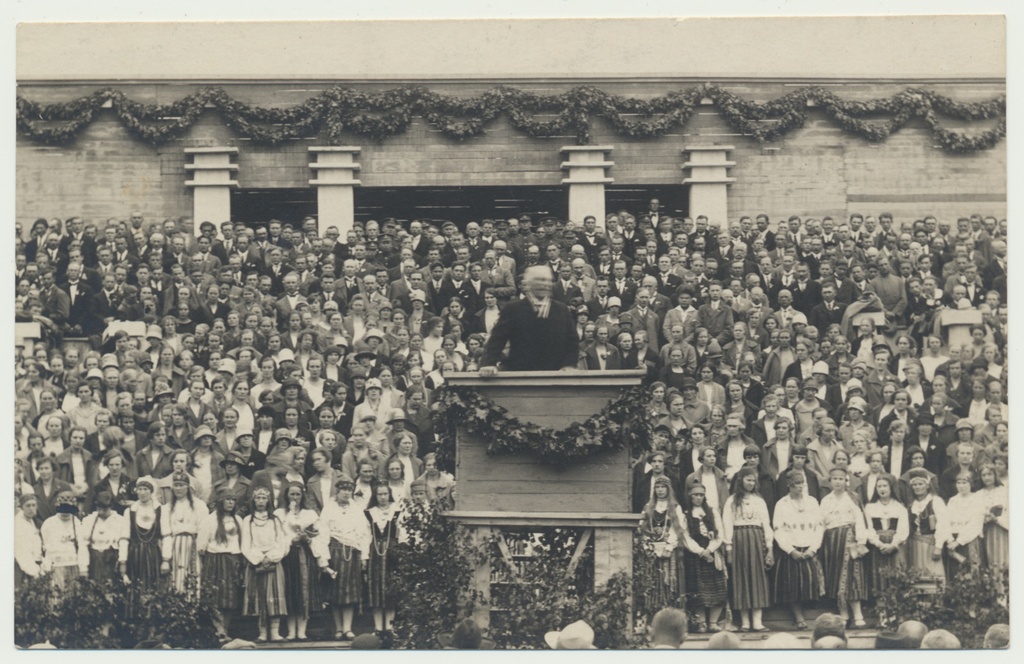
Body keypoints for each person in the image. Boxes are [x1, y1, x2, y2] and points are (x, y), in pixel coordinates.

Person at [480, 265, 580, 373]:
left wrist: (569, 365)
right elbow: (497, 339)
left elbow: (572, 341)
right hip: (520, 375)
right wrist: (488, 364)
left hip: (555, 374)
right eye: (539, 280)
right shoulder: (513, 309)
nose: (544, 284)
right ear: (528, 284)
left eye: (548, 280)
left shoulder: (561, 309)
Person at [316, 475, 370, 641]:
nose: (346, 493)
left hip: (352, 553)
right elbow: (322, 533)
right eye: (343, 490)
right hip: (335, 552)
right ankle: (338, 628)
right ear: (337, 491)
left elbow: (364, 533)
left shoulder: (356, 509)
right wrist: (323, 559)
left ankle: (347, 628)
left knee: (349, 593)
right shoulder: (329, 509)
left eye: (349, 490)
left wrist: (364, 556)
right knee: (336, 593)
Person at [275, 481, 330, 641]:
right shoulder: (279, 514)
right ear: (286, 495)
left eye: (298, 494)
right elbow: (277, 535)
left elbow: (319, 535)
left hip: (306, 555)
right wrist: (291, 540)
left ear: (302, 495)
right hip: (288, 556)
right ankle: (291, 631)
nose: (295, 497)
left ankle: (302, 631)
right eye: (292, 494)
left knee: (305, 591)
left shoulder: (310, 514)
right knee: (291, 591)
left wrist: (307, 539)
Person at [722, 466, 773, 632]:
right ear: (740, 480)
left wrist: (769, 547)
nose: (751, 483)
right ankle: (745, 622)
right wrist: (728, 548)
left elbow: (766, 524)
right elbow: (727, 524)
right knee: (741, 579)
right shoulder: (731, 501)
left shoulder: (759, 500)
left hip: (757, 540)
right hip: (739, 540)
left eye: (753, 480)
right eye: (748, 480)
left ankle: (757, 622)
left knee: (758, 578)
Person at [772, 470, 825, 630]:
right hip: (792, 550)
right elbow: (778, 530)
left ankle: (809, 615)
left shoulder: (812, 502)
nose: (800, 487)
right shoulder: (782, 504)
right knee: (792, 586)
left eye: (802, 483)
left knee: (810, 582)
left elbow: (819, 527)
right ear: (789, 485)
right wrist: (790, 550)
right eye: (796, 484)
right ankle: (798, 617)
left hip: (809, 548)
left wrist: (813, 548)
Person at [819, 468, 869, 627]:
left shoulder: (852, 498)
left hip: (849, 537)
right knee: (835, 577)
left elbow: (860, 520)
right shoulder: (826, 500)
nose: (838, 481)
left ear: (845, 480)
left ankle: (858, 615)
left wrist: (861, 541)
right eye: (835, 478)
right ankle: (843, 615)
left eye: (841, 478)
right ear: (830, 481)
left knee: (852, 576)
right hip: (831, 540)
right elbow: (821, 523)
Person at [240, 486, 289, 643]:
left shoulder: (275, 520)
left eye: (264, 498)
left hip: (273, 562)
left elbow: (282, 542)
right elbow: (245, 544)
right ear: (253, 500)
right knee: (259, 596)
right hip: (256, 562)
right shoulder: (248, 521)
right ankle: (262, 632)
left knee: (274, 595)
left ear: (269, 501)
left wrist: (271, 557)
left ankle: (275, 631)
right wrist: (259, 558)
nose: (261, 501)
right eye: (258, 498)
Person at [197, 489, 246, 642]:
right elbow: (201, 546)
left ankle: (225, 629)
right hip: (216, 560)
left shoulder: (238, 520)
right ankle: (219, 629)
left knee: (231, 598)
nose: (231, 502)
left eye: (233, 500)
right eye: (227, 499)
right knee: (215, 597)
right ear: (220, 501)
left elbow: (243, 542)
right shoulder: (210, 520)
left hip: (234, 560)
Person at [680, 481, 727, 633]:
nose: (698, 498)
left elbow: (720, 534)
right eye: (695, 495)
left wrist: (710, 550)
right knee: (698, 590)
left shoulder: (712, 512)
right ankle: (701, 622)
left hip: (712, 553)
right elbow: (685, 536)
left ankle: (713, 622)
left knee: (717, 588)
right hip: (695, 556)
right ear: (690, 496)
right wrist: (700, 551)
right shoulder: (686, 515)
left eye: (701, 495)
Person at [637, 476, 685, 621]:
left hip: (667, 551)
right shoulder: (648, 507)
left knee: (668, 583)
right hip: (650, 550)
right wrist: (647, 546)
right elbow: (642, 528)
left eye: (663, 487)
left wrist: (669, 546)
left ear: (668, 489)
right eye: (657, 487)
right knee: (651, 582)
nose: (660, 490)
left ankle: (668, 618)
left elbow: (678, 528)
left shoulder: (676, 507)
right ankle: (651, 617)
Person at [118, 476, 162, 617]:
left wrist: (166, 560)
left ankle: (152, 623)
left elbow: (166, 535)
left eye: (146, 489)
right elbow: (124, 537)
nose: (142, 493)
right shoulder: (130, 511)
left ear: (151, 491)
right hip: (135, 553)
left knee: (152, 585)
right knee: (134, 586)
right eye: (140, 489)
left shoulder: (160, 510)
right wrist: (123, 561)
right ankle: (134, 623)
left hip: (153, 554)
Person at [160, 470, 208, 595]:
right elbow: (165, 532)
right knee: (175, 577)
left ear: (188, 487)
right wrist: (166, 556)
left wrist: (200, 547)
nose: (179, 488)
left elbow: (203, 528)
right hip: (174, 546)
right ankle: (175, 609)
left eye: (182, 485)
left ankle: (192, 609)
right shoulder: (166, 508)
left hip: (193, 545)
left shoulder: (199, 506)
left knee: (192, 575)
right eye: (176, 485)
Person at [863, 474, 909, 596]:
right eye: (879, 486)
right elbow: (868, 529)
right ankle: (881, 609)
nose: (882, 489)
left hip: (895, 546)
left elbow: (903, 530)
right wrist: (879, 544)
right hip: (877, 547)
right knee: (878, 576)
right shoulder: (870, 507)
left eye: (885, 486)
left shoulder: (900, 507)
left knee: (896, 574)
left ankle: (895, 609)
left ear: (891, 488)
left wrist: (893, 545)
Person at [365, 483, 402, 632]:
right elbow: (365, 535)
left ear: (389, 494)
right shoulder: (369, 512)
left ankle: (390, 626)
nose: (383, 497)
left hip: (392, 552)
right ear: (375, 496)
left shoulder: (398, 510)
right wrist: (364, 556)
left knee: (390, 587)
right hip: (375, 552)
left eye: (385, 494)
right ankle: (378, 627)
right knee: (376, 587)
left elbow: (402, 532)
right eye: (379, 494)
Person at [39, 490, 87, 592]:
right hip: (55, 567)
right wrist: (47, 568)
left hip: (73, 565)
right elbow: (45, 548)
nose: (65, 514)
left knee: (73, 597)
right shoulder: (49, 524)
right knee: (56, 596)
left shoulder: (77, 523)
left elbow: (82, 547)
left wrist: (83, 568)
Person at [942, 472, 984, 580]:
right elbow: (945, 521)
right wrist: (950, 540)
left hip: (969, 540)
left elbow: (976, 523)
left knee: (970, 571)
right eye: (958, 483)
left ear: (971, 484)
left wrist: (959, 541)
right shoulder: (952, 500)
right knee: (954, 573)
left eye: (964, 482)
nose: (961, 486)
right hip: (952, 541)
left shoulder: (977, 499)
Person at [80, 491, 124, 583]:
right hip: (94, 561)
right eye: (99, 508)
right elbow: (83, 545)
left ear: (110, 507)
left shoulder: (120, 521)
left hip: (111, 561)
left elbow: (123, 544)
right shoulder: (89, 520)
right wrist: (83, 567)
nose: (101, 512)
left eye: (104, 509)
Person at [975, 463, 1008, 569]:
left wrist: (997, 519)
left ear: (995, 475)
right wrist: (983, 518)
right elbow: (975, 513)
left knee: (1002, 559)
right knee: (988, 560)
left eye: (989, 474)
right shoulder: (978, 494)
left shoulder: (1004, 491)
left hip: (1001, 529)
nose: (987, 477)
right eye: (983, 475)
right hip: (985, 531)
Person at [15, 495, 43, 589]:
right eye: (28, 506)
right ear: (21, 507)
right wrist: (34, 572)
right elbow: (22, 552)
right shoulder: (18, 524)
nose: (31, 508)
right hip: (24, 568)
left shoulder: (33, 521)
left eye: (33, 505)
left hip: (35, 564)